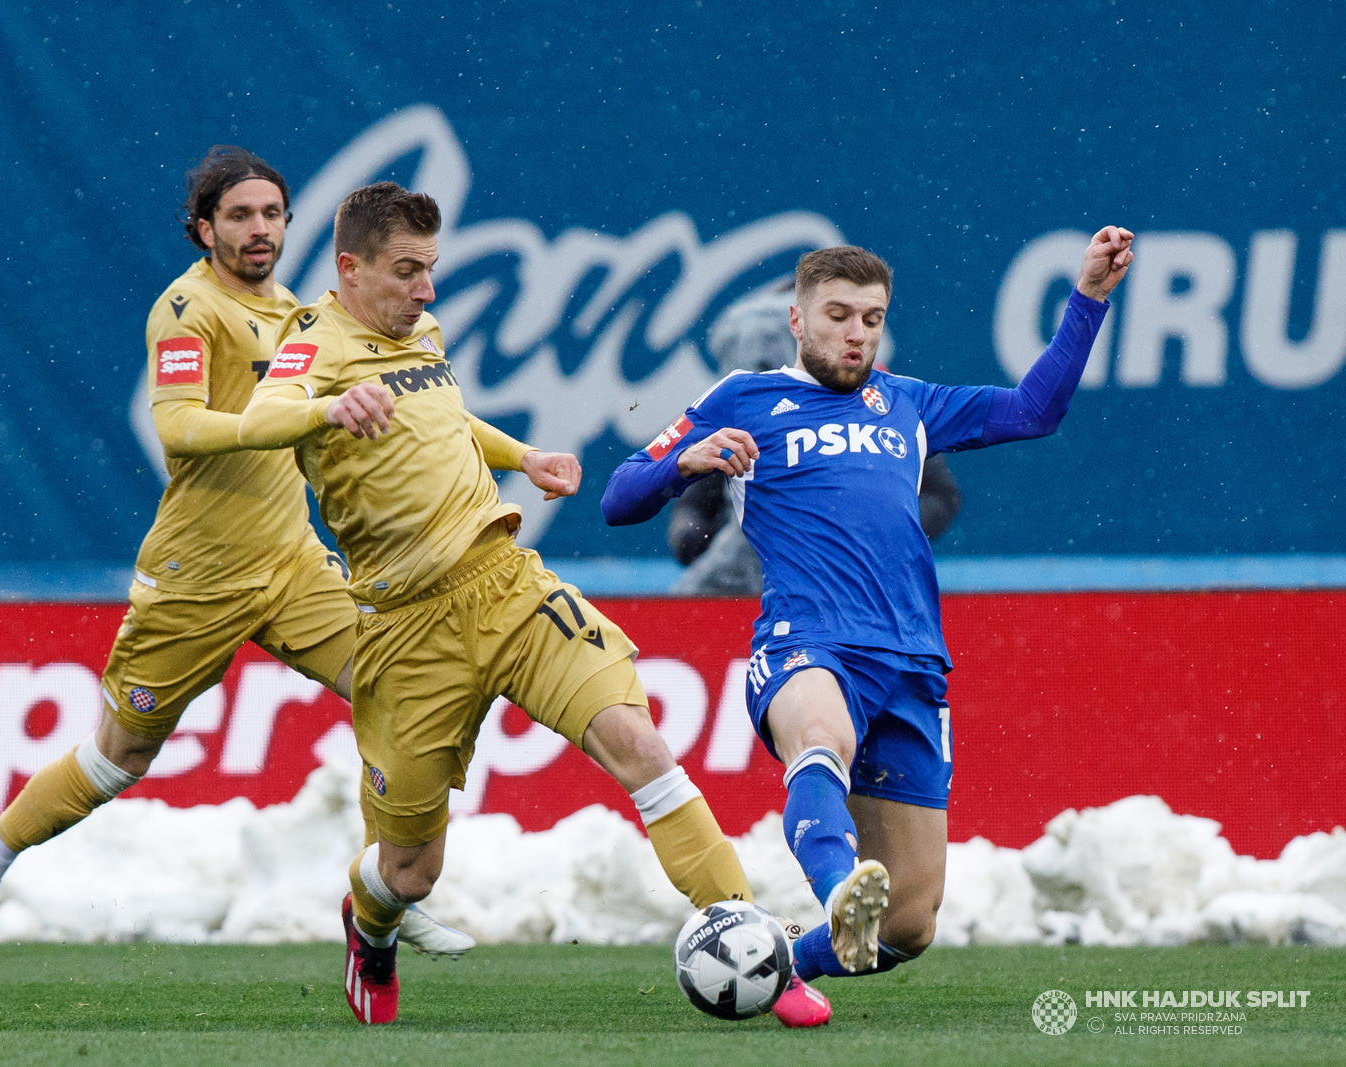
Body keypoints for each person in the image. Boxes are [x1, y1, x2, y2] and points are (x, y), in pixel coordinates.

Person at [236, 181, 773, 1027]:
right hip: (405, 629)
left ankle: (754, 944)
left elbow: (441, 415)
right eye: (408, 270)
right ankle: (368, 924)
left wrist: (523, 454)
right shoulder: (312, 342)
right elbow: (262, 412)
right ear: (349, 267)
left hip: (507, 585)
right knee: (409, 871)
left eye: (432, 269)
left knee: (639, 741)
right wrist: (327, 405)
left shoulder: (420, 330)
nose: (428, 289)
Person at [0, 148, 473, 969]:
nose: (259, 230)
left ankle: (386, 893)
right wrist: (313, 416)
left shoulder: (301, 312)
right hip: (198, 578)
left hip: (292, 564)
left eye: (271, 214)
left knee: (395, 691)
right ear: (204, 228)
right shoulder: (188, 311)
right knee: (120, 757)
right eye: (239, 216)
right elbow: (181, 429)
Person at [602, 230, 1132, 994]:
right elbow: (619, 497)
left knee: (912, 922)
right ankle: (834, 885)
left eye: (871, 319)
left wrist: (1087, 298)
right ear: (797, 320)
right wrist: (681, 463)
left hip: (914, 661)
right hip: (809, 640)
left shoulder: (908, 401)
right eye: (838, 315)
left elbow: (1034, 410)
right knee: (821, 739)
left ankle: (780, 961)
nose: (855, 333)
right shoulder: (742, 399)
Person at [670, 285, 961, 595]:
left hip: (856, 583)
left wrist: (880, 533)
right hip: (747, 582)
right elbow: (696, 500)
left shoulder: (884, 407)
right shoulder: (737, 419)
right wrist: (690, 528)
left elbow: (939, 494)